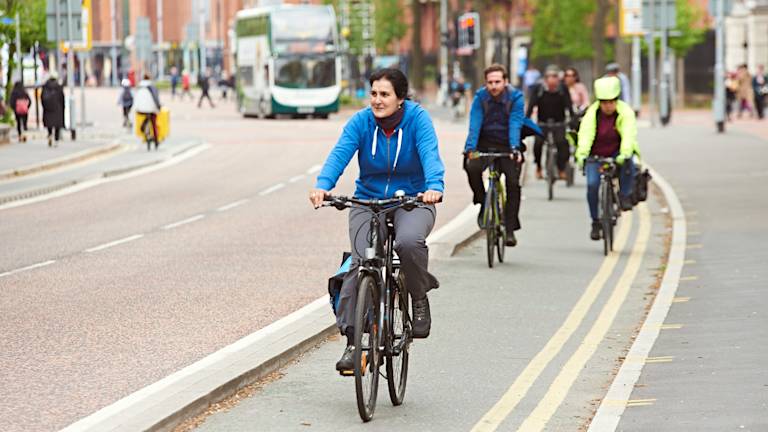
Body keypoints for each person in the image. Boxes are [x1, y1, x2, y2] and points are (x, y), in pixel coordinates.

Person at [308, 68, 444, 372]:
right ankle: (354, 343)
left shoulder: (418, 119)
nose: (377, 100)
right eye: (373, 93)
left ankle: (418, 295)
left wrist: (434, 187)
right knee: (359, 263)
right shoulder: (361, 122)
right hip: (368, 200)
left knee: (409, 243)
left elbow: (430, 154)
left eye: (384, 94)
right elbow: (339, 154)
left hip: (413, 199)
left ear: (400, 98)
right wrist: (323, 186)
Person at [464, 64, 529, 247]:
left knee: (513, 184)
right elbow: (474, 124)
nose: (493, 86)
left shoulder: (515, 98)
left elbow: (515, 123)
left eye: (497, 82)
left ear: (505, 82)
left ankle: (509, 229)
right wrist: (471, 148)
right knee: (471, 167)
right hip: (484, 142)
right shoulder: (480, 97)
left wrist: (515, 148)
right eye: (490, 82)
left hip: (507, 144)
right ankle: (482, 201)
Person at [575, 76, 638, 241]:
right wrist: (582, 154)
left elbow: (629, 135)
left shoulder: (625, 112)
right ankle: (595, 222)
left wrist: (624, 153)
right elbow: (585, 135)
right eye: (604, 102)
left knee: (629, 163)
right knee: (592, 185)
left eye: (611, 102)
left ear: (616, 100)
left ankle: (624, 195)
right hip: (595, 154)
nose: (608, 106)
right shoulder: (592, 114)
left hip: (617, 153)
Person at [526, 65, 574, 180]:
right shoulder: (539, 89)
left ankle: (561, 168)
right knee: (538, 143)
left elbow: (569, 105)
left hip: (559, 122)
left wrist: (572, 119)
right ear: (545, 79)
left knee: (562, 143)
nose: (552, 80)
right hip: (542, 122)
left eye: (555, 77)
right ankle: (538, 166)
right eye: (550, 77)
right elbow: (531, 105)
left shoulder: (563, 89)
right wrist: (526, 119)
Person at [134, 73, 162, 150]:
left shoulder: (139, 86)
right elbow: (156, 98)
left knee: (145, 115)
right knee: (153, 121)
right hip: (151, 108)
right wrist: (159, 106)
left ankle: (143, 126)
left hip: (140, 109)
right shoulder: (152, 86)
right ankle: (156, 141)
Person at [41, 72, 66, 147]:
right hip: (57, 108)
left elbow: (42, 98)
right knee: (57, 125)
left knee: (49, 123)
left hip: (48, 108)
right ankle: (56, 140)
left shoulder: (45, 86)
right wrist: (62, 107)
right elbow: (62, 98)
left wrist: (44, 106)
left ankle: (50, 134)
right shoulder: (58, 87)